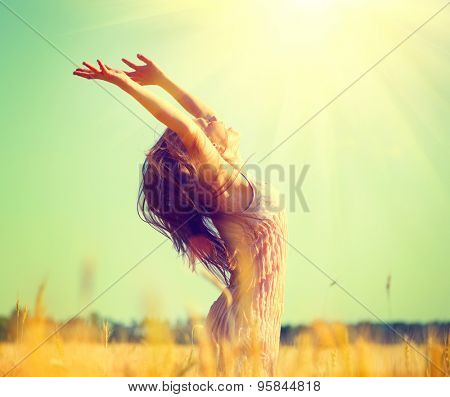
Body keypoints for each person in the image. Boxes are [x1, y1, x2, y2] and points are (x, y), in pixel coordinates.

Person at [73, 55, 287, 375]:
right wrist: (124, 84)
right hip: (246, 326)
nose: (210, 118)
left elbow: (202, 115)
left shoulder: (231, 174)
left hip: (249, 320)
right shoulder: (224, 182)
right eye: (203, 128)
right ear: (202, 154)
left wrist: (163, 80)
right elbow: (187, 125)